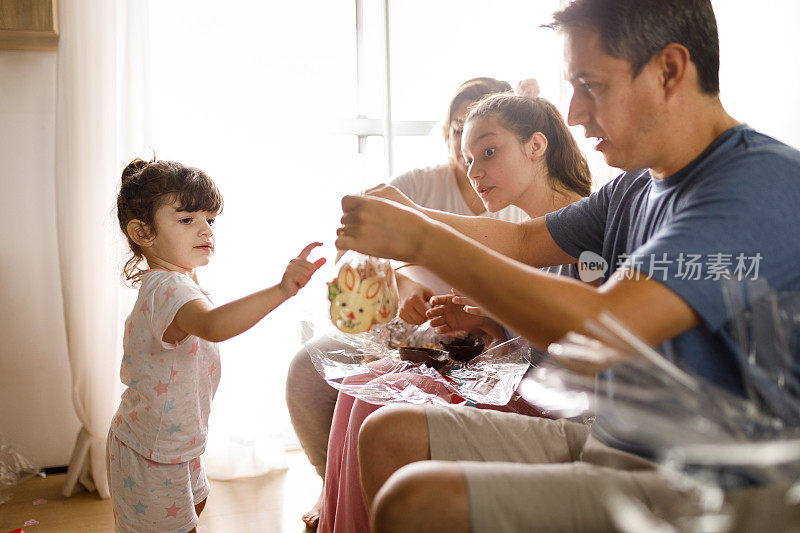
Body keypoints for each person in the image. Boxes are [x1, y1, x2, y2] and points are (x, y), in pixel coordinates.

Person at [334, 0, 800, 531]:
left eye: (591, 85)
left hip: (719, 487)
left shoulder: (758, 188)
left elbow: (602, 328)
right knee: (387, 433)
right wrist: (410, 215)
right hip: (616, 441)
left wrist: (423, 240)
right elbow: (519, 240)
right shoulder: (636, 185)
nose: (574, 113)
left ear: (670, 70)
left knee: (414, 501)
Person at [317, 93, 593, 533]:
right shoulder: (527, 232)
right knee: (357, 385)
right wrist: (485, 323)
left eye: (488, 151)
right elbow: (523, 310)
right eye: (468, 158)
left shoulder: (588, 228)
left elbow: (579, 344)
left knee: (375, 403)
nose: (474, 171)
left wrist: (496, 316)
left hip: (560, 401)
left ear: (536, 146)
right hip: (524, 376)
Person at [284, 77, 527, 528]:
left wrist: (483, 320)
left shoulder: (520, 201)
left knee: (379, 404)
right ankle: (331, 481)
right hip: (403, 330)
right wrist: (404, 281)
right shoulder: (420, 184)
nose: (469, 153)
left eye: (487, 147)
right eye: (459, 132)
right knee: (308, 368)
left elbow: (533, 284)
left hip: (480, 342)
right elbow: (359, 241)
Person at [108, 158, 325, 533]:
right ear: (143, 232)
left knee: (195, 506)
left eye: (210, 219)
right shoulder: (168, 287)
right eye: (187, 219)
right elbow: (213, 325)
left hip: (178, 443)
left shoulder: (179, 282)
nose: (206, 229)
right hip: (152, 451)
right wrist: (281, 290)